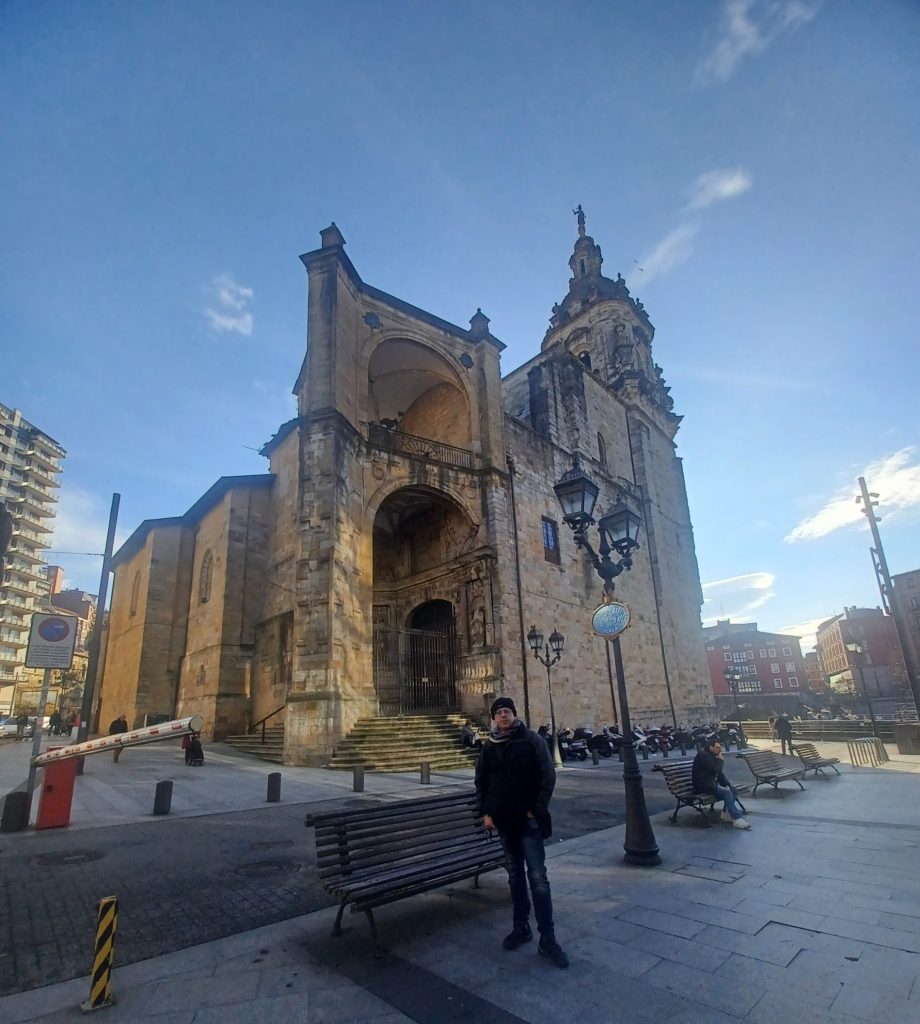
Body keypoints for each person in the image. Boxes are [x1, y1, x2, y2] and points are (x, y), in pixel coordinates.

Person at [475, 696, 568, 968]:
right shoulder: (489, 747)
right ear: (493, 718)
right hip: (504, 822)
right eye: (498, 713)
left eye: (507, 711)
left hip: (528, 822)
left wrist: (535, 811)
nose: (503, 716)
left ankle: (548, 939)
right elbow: (481, 780)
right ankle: (521, 928)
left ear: (514, 715)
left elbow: (548, 775)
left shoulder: (531, 740)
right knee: (515, 877)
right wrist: (486, 812)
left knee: (538, 878)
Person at [692, 736, 750, 830]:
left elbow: (719, 773)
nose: (720, 750)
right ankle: (736, 818)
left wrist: (726, 784)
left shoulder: (711, 755)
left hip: (710, 783)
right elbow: (714, 770)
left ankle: (726, 813)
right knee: (726, 793)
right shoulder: (703, 756)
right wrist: (720, 761)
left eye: (720, 747)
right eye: (717, 747)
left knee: (732, 789)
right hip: (702, 785)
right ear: (711, 747)